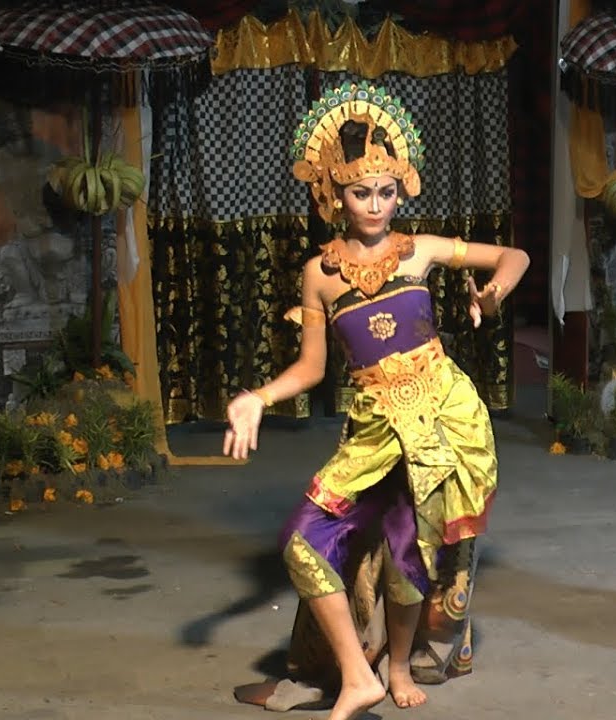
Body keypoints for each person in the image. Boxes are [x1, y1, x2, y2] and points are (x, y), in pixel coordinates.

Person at [223, 81, 529, 719]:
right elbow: (312, 368)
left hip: (441, 418)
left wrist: (493, 292)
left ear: (400, 190)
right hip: (372, 427)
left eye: (387, 191)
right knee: (303, 540)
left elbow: (514, 255)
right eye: (362, 192)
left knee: (409, 549)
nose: (376, 205)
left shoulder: (421, 251)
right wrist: (258, 397)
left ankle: (396, 666)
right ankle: (357, 674)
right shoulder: (319, 274)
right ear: (335, 195)